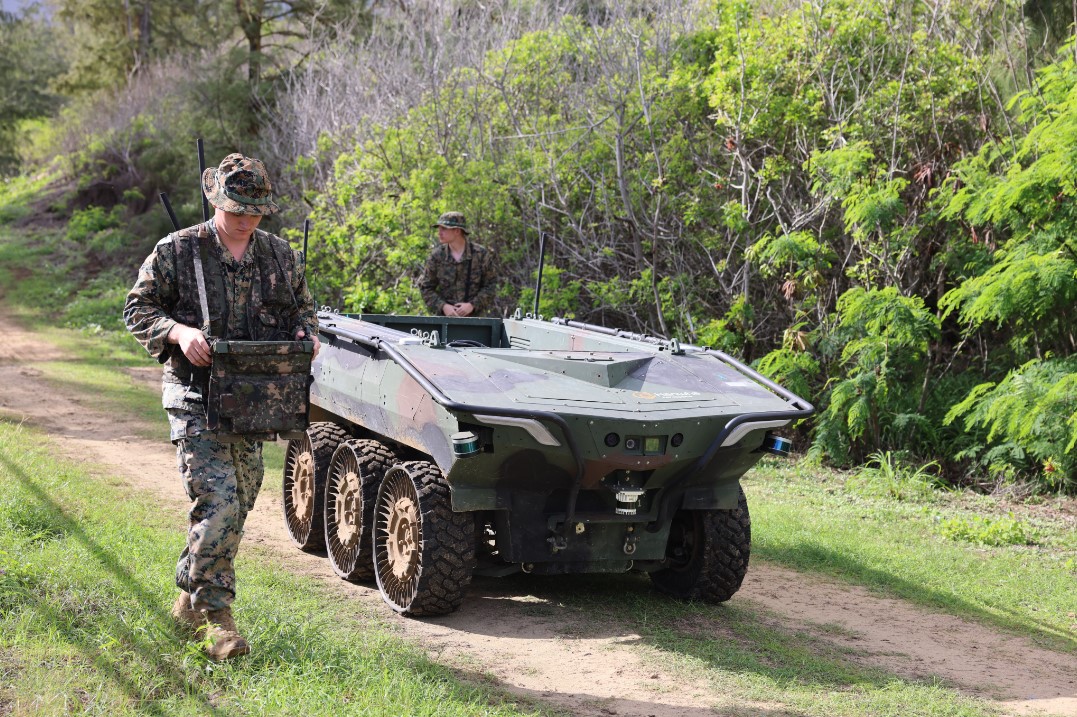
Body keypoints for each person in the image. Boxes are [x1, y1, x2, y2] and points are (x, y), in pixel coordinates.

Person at [123, 153, 319, 661]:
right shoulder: (178, 250)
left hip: (253, 402)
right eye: (237, 211)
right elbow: (137, 308)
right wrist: (178, 331)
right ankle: (219, 624)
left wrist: (305, 337)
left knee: (240, 503)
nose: (247, 221)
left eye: (255, 212)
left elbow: (304, 311)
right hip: (193, 396)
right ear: (215, 201)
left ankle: (187, 602)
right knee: (220, 505)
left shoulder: (278, 254)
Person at [419, 211, 499, 316]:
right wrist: (443, 306)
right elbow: (425, 287)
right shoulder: (437, 256)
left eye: (444, 228)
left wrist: (472, 305)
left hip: (475, 322)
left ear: (457, 231)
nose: (439, 232)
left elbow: (491, 286)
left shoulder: (480, 255)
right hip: (444, 321)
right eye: (439, 229)